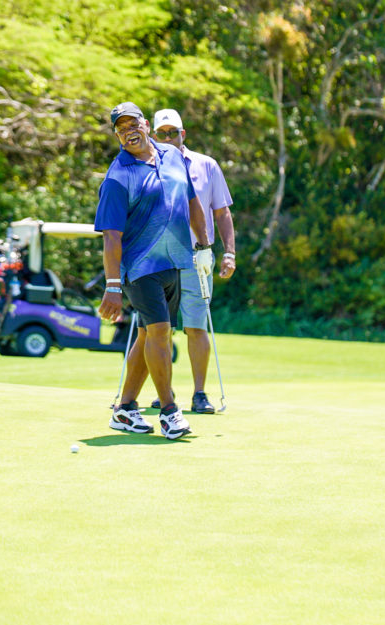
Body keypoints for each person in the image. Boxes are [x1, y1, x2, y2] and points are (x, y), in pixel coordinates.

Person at [95, 102, 213, 440]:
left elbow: (192, 201)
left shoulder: (172, 157)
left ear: (146, 124)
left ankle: (126, 409)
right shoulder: (119, 176)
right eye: (121, 128)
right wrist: (113, 285)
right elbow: (112, 236)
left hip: (175, 260)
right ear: (117, 134)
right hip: (139, 265)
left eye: (134, 124)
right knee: (160, 332)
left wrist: (204, 247)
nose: (129, 131)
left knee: (150, 335)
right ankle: (169, 411)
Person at [148, 108, 236, 414]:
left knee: (196, 326)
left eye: (174, 133)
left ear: (183, 134)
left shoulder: (206, 165)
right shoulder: (145, 166)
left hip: (197, 255)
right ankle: (165, 393)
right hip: (158, 258)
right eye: (162, 134)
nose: (168, 138)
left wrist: (229, 252)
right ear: (153, 135)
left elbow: (221, 211)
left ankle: (199, 394)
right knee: (159, 328)